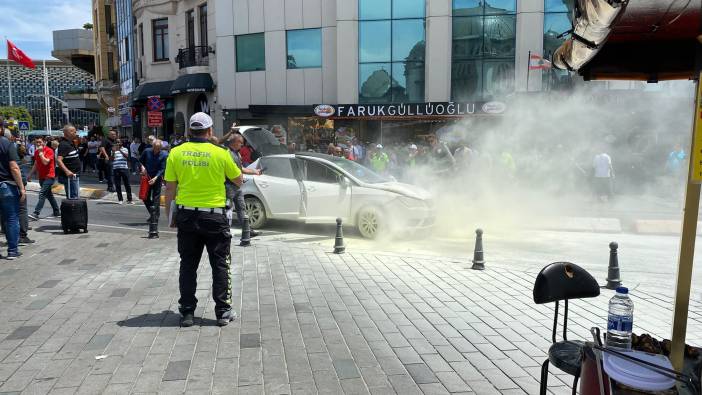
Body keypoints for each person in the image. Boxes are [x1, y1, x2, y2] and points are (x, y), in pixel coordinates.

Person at [164, 112, 242, 327]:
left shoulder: (176, 153)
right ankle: (223, 311)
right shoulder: (221, 153)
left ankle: (187, 312)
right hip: (214, 216)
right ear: (209, 132)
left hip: (187, 215)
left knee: (188, 265)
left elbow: (170, 187)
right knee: (220, 264)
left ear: (190, 131)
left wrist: (170, 215)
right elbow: (238, 179)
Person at [225, 133, 261, 237]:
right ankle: (226, 230)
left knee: (241, 208)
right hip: (229, 186)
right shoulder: (227, 153)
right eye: (240, 142)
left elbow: (241, 169)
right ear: (235, 142)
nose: (242, 145)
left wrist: (255, 171)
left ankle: (247, 230)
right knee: (228, 209)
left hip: (237, 186)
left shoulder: (237, 153)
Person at [0, 128, 26, 259]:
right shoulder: (6, 144)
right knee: (11, 218)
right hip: (6, 186)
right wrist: (22, 188)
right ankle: (12, 251)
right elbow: (14, 167)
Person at [27, 136, 61, 220]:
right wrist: (30, 174)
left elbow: (45, 162)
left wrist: (41, 153)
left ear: (44, 142)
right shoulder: (36, 152)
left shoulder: (49, 151)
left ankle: (36, 213)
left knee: (42, 194)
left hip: (49, 176)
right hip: (41, 177)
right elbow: (36, 164)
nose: (38, 144)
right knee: (49, 195)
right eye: (36, 142)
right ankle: (57, 212)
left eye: (40, 142)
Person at [139, 139, 168, 231]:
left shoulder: (164, 155)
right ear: (153, 147)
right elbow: (140, 161)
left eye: (158, 149)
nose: (156, 151)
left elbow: (162, 168)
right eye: (155, 148)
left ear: (161, 148)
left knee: (156, 198)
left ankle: (154, 217)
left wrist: (156, 178)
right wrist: (142, 167)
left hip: (157, 178)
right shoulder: (147, 151)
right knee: (145, 197)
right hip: (146, 177)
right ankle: (153, 213)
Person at [56, 125, 82, 199]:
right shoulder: (64, 144)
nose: (75, 132)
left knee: (74, 197)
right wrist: (67, 171)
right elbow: (59, 160)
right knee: (73, 198)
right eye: (73, 131)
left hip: (74, 176)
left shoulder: (72, 143)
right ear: (67, 133)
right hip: (69, 177)